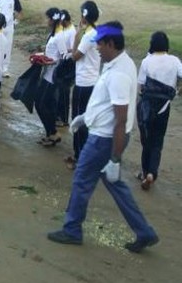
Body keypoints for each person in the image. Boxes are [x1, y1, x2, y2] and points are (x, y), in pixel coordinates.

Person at [48, 22, 160, 254]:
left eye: (100, 44)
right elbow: (108, 107)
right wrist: (84, 117)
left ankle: (72, 229)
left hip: (105, 139)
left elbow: (120, 118)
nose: (96, 47)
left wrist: (115, 158)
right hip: (107, 136)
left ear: (110, 43)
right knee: (116, 186)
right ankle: (144, 231)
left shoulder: (119, 73)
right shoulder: (120, 63)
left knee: (81, 180)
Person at [136, 31, 182, 190]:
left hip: (147, 107)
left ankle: (144, 172)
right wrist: (177, 90)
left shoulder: (146, 61)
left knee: (147, 140)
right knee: (158, 141)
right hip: (164, 108)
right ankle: (152, 173)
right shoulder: (175, 61)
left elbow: (141, 86)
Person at [63, 1, 100, 170]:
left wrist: (78, 33)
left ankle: (80, 156)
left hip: (84, 83)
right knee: (85, 119)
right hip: (92, 81)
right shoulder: (96, 33)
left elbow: (75, 55)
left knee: (78, 120)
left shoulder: (88, 35)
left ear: (84, 16)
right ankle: (81, 154)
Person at [34, 8, 67, 146]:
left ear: (52, 20)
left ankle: (53, 132)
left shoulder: (59, 36)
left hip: (52, 76)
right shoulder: (53, 35)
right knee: (40, 103)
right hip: (46, 74)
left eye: (48, 18)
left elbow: (64, 55)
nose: (46, 21)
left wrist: (51, 61)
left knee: (42, 104)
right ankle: (49, 132)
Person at [0, 0, 23, 77]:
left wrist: (17, 21)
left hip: (10, 27)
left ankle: (5, 69)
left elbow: (19, 11)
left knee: (7, 47)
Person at [55, 9, 76, 127]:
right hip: (62, 61)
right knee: (59, 90)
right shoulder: (64, 29)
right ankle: (59, 115)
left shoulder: (72, 31)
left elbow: (73, 48)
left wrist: (62, 48)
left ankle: (64, 118)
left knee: (64, 91)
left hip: (68, 63)